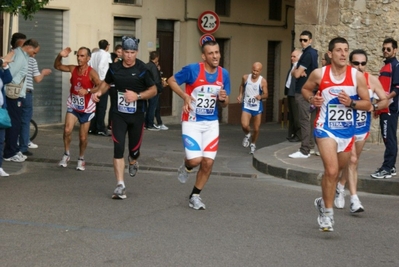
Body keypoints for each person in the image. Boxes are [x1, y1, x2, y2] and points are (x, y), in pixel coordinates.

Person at [303, 37, 371, 232]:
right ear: (330, 54)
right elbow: (306, 89)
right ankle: (327, 214)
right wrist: (312, 100)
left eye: (345, 50)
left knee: (337, 171)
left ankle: (322, 201)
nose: (343, 53)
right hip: (325, 128)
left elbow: (367, 104)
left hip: (347, 132)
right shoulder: (319, 74)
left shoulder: (356, 76)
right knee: (332, 171)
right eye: (339, 50)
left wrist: (351, 103)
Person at [167, 40, 230, 210]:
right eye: (211, 53)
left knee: (208, 163)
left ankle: (195, 195)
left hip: (211, 123)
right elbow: (171, 81)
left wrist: (223, 99)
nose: (215, 56)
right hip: (192, 121)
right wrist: (185, 96)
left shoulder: (224, 74)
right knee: (195, 160)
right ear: (204, 56)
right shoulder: (192, 70)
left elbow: (225, 103)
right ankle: (186, 166)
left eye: (217, 52)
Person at [92, 36, 157, 199]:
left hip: (137, 116)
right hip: (118, 114)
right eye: (126, 52)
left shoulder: (143, 69)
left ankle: (133, 160)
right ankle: (120, 185)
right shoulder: (114, 68)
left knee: (134, 151)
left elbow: (154, 90)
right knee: (118, 148)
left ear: (136, 52)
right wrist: (99, 92)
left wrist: (138, 96)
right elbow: (106, 83)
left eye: (132, 52)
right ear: (121, 53)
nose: (129, 56)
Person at [335, 49, 389, 213]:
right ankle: (354, 199)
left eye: (363, 63)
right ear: (350, 63)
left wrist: (373, 106)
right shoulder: (342, 79)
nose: (360, 66)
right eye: (356, 63)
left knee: (353, 161)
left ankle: (340, 186)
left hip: (361, 127)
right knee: (351, 160)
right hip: (344, 127)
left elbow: (385, 100)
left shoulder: (371, 80)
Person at [54, 47, 101, 171]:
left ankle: (81, 158)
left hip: (87, 108)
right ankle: (66, 154)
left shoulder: (92, 72)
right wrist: (60, 55)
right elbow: (57, 66)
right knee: (67, 130)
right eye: (78, 56)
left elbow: (100, 85)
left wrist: (89, 91)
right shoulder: (73, 68)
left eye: (82, 56)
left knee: (83, 137)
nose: (79, 58)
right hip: (74, 105)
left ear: (88, 58)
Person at [4, 39, 40, 163]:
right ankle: (10, 152)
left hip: (18, 93)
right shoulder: (19, 56)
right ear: (29, 47)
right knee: (14, 123)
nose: (34, 55)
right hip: (14, 94)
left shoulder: (22, 55)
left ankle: (12, 150)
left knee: (16, 122)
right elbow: (10, 75)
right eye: (34, 52)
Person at [371, 37, 399, 179]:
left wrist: (383, 103)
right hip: (384, 109)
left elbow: (397, 88)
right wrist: (378, 108)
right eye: (384, 49)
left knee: (389, 138)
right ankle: (391, 167)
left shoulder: (396, 66)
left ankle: (387, 168)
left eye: (388, 49)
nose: (385, 51)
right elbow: (382, 88)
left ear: (395, 50)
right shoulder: (385, 66)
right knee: (387, 137)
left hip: (390, 109)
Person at [289, 30, 318, 158]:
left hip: (303, 91)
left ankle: (304, 149)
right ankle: (310, 146)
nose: (302, 42)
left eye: (305, 40)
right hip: (311, 91)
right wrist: (298, 71)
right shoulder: (311, 53)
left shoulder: (307, 54)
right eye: (301, 40)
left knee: (304, 120)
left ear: (310, 40)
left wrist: (297, 71)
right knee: (310, 120)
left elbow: (295, 73)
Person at [19, 49, 52, 156]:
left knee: (16, 118)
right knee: (25, 120)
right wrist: (43, 73)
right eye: (35, 52)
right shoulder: (31, 60)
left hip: (14, 93)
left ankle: (17, 142)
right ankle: (24, 144)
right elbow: (37, 79)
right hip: (26, 92)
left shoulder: (13, 56)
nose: (34, 55)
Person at [237, 62, 268, 154]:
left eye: (257, 71)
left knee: (256, 128)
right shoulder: (245, 77)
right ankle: (247, 134)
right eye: (254, 70)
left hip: (257, 107)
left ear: (260, 71)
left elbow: (266, 94)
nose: (255, 73)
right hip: (247, 105)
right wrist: (240, 95)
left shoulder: (263, 81)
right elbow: (242, 85)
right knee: (244, 125)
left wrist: (261, 96)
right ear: (252, 69)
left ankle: (253, 144)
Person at [89, 39, 112, 136]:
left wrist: (94, 79)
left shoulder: (94, 54)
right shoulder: (106, 54)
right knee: (102, 106)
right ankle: (100, 128)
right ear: (107, 46)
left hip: (93, 82)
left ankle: (91, 127)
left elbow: (90, 66)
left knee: (94, 105)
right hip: (102, 82)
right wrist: (102, 80)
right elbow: (103, 67)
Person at [0, 51, 14, 176]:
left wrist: (5, 66)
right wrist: (3, 60)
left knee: (0, 140)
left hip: (0, 110)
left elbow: (8, 79)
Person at [285, 49, 302, 142]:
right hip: (290, 93)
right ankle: (292, 133)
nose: (292, 58)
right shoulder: (292, 67)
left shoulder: (299, 67)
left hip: (295, 94)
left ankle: (299, 135)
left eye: (294, 56)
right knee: (291, 115)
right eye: (291, 56)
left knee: (296, 116)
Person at [145, 51, 163, 131]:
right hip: (153, 89)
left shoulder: (146, 65)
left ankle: (147, 123)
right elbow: (156, 79)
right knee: (152, 107)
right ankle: (150, 124)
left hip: (147, 88)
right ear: (156, 58)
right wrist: (160, 87)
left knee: (149, 107)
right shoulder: (153, 67)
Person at [153, 64, 168, 130]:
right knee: (154, 108)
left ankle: (159, 123)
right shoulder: (154, 71)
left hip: (157, 91)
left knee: (156, 108)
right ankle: (157, 123)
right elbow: (157, 81)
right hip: (155, 91)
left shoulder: (156, 71)